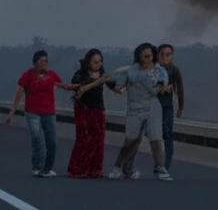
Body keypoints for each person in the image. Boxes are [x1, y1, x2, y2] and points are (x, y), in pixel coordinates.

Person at [77, 42, 173, 181]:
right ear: (139, 57)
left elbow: (160, 86)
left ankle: (160, 168)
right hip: (135, 108)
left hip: (152, 107)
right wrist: (117, 87)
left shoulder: (160, 72)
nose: (147, 60)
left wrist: (162, 88)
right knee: (131, 140)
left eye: (149, 56)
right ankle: (119, 167)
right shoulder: (131, 71)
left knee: (157, 140)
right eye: (144, 57)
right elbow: (118, 84)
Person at [5, 49, 77, 177]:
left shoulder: (52, 75)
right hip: (32, 113)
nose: (45, 63)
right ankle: (37, 167)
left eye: (46, 61)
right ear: (35, 63)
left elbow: (63, 85)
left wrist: (75, 87)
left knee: (52, 141)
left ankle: (47, 169)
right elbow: (18, 95)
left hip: (49, 113)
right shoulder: (27, 76)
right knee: (37, 138)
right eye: (42, 61)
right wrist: (11, 114)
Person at [66, 48, 119, 178]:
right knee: (84, 138)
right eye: (95, 62)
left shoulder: (102, 74)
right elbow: (77, 86)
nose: (98, 64)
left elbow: (113, 85)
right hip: (83, 109)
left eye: (100, 61)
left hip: (98, 109)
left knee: (99, 139)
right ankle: (77, 169)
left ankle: (95, 170)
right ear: (88, 61)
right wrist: (97, 81)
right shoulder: (80, 74)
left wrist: (118, 85)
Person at [156, 43, 185, 173]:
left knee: (167, 134)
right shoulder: (153, 70)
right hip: (153, 105)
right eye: (162, 54)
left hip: (167, 106)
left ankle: (165, 166)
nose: (164, 57)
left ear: (172, 56)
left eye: (168, 55)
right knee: (155, 135)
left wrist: (181, 106)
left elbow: (180, 89)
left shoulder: (174, 70)